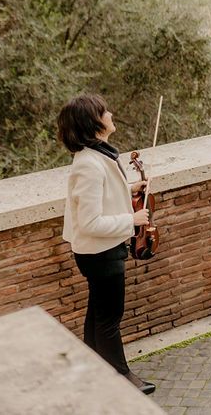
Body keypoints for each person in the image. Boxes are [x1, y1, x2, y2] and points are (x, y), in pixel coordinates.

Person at [58, 94, 156, 395]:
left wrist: (130, 188)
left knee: (97, 311)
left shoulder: (97, 156)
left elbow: (104, 193)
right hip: (100, 252)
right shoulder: (89, 165)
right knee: (110, 317)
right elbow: (90, 222)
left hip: (98, 251)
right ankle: (121, 377)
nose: (110, 114)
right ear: (93, 123)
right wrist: (134, 220)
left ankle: (91, 368)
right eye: (104, 112)